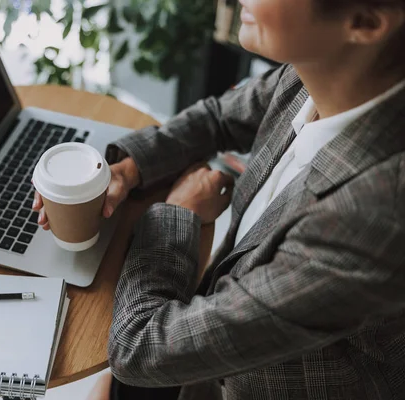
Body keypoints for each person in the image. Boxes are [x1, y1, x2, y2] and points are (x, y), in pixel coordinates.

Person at [33, 0, 405, 398]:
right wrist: (128, 168)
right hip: (219, 337)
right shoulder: (321, 75)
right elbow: (218, 119)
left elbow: (137, 348)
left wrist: (176, 214)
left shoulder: (370, 217)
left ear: (365, 22)